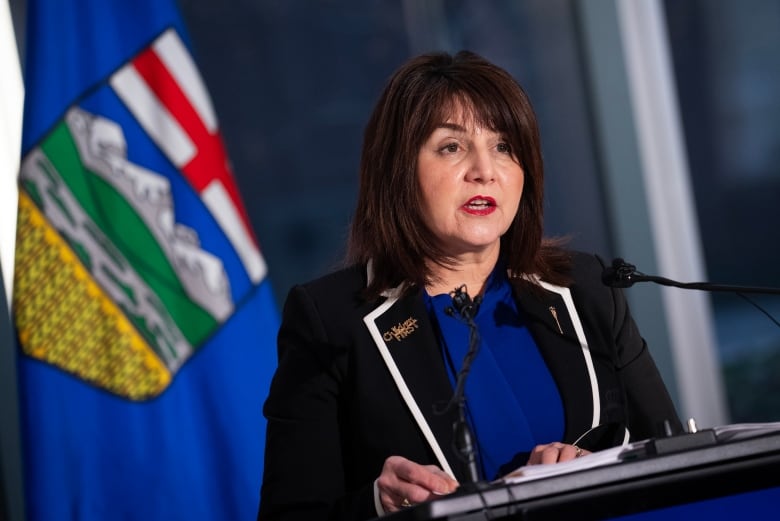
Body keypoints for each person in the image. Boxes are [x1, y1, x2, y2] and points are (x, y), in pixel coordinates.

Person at [257, 50, 682, 521]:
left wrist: (594, 472)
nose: (485, 170)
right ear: (398, 171)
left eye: (504, 146)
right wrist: (380, 505)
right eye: (451, 147)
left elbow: (675, 456)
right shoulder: (331, 320)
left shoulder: (587, 289)